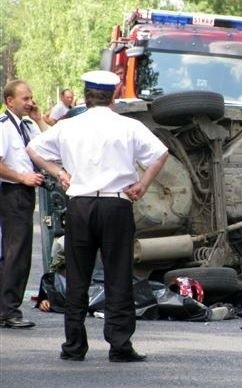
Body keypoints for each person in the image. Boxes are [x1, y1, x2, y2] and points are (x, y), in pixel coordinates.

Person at [27, 70, 168, 362]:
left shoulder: (69, 126)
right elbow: (160, 153)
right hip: (116, 204)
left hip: (80, 204)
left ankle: (74, 345)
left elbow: (34, 148)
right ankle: (119, 345)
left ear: (86, 96)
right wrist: (142, 184)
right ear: (113, 96)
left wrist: (59, 173)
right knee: (118, 275)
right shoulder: (128, 126)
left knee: (78, 275)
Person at [0, 80, 49, 329]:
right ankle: (8, 310)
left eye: (31, 98)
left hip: (24, 192)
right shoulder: (4, 127)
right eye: (25, 98)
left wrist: (39, 118)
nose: (30, 102)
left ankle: (8, 308)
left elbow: (51, 145)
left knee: (19, 252)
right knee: (15, 252)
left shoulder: (26, 126)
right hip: (12, 192)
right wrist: (22, 177)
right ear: (10, 101)